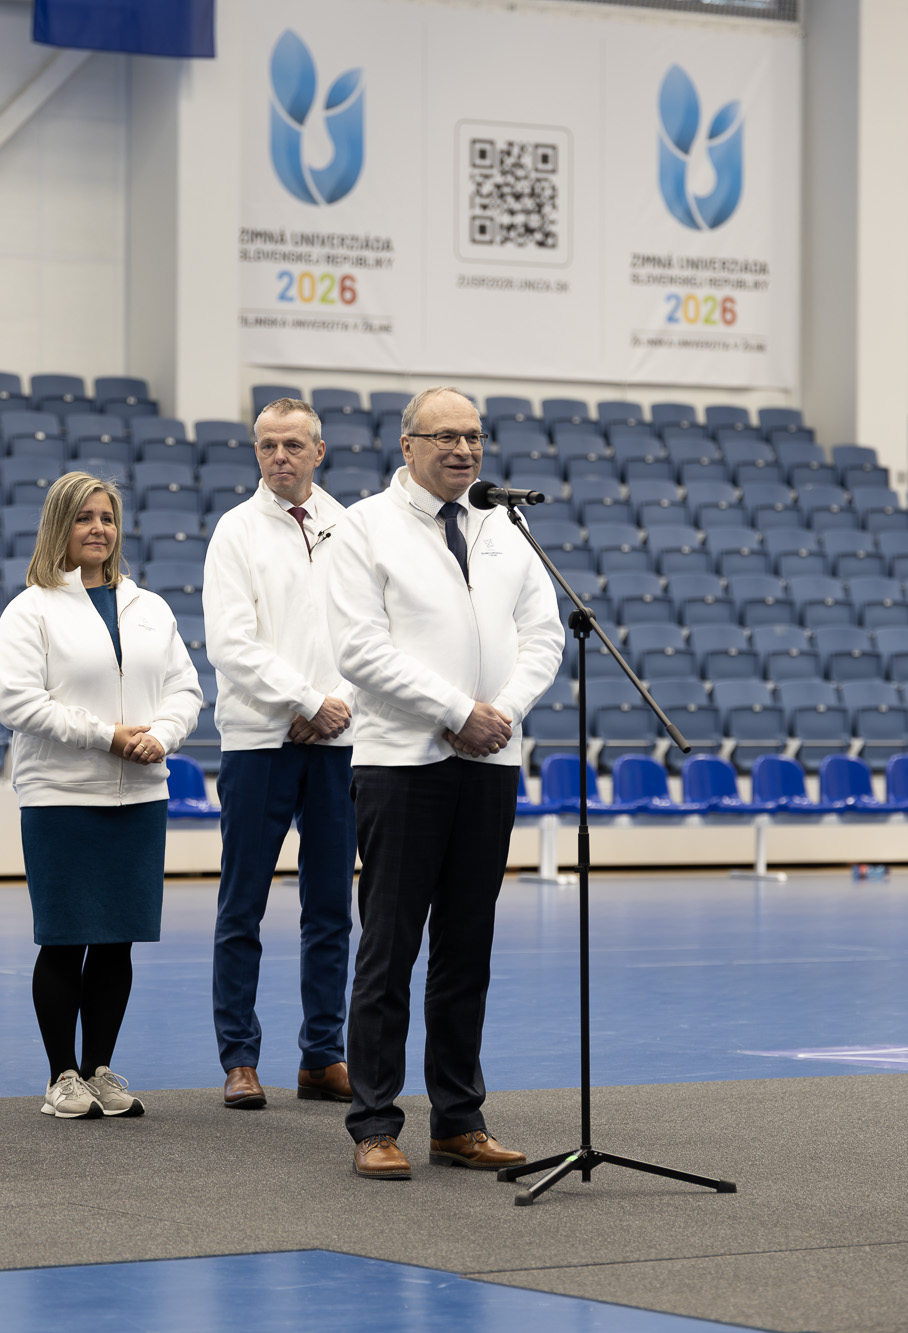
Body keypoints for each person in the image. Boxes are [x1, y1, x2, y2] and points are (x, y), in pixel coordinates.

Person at [325, 386, 564, 1180]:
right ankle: (374, 1122)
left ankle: (458, 1119)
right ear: (408, 444)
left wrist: (502, 714)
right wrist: (457, 711)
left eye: (474, 435)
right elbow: (361, 650)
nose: (463, 449)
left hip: (489, 762)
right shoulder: (364, 527)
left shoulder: (504, 527)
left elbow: (543, 636)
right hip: (403, 763)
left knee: (467, 949)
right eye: (445, 436)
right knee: (389, 949)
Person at [0, 471, 203, 1119]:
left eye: (107, 518)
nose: (98, 529)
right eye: (84, 517)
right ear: (60, 526)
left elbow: (185, 690)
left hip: (140, 796)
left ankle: (99, 1069)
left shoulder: (150, 608)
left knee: (117, 940)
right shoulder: (31, 609)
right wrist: (104, 735)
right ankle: (61, 1075)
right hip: (61, 796)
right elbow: (15, 701)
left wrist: (161, 735)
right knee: (65, 938)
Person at [202, 398, 356, 1111]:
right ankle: (239, 1057)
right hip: (259, 741)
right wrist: (305, 699)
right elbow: (230, 643)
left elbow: (375, 633)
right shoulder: (235, 531)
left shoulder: (350, 528)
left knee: (331, 908)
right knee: (243, 905)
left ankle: (323, 1054)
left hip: (338, 741)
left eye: (293, 444)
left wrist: (336, 704)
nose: (279, 456)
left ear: (318, 451)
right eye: (267, 445)